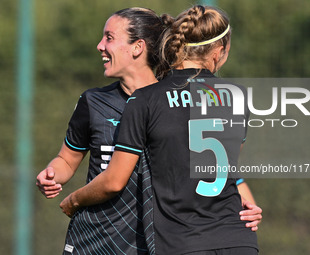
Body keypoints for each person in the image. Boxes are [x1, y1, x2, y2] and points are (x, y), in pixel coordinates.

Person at [38, 6, 261, 255]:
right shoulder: (94, 102)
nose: (100, 46)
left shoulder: (161, 101)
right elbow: (67, 161)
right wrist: (53, 173)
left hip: (154, 241)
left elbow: (215, 169)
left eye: (109, 38)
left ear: (138, 47)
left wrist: (246, 207)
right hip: (98, 237)